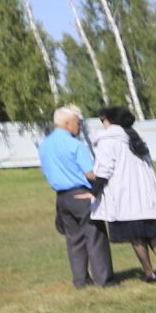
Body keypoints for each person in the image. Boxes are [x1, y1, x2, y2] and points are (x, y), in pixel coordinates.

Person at [91, 105, 156, 284]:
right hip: (147, 196)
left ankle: (149, 273)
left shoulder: (109, 140)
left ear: (108, 120)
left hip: (126, 197)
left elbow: (104, 170)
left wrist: (94, 193)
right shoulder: (136, 138)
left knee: (136, 239)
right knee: (154, 236)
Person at [38, 104, 110, 288]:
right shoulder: (74, 145)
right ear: (68, 122)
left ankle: (81, 280)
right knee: (95, 236)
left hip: (62, 198)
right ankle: (103, 280)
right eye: (78, 123)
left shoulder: (44, 144)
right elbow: (90, 173)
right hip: (82, 194)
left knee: (73, 239)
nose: (79, 126)